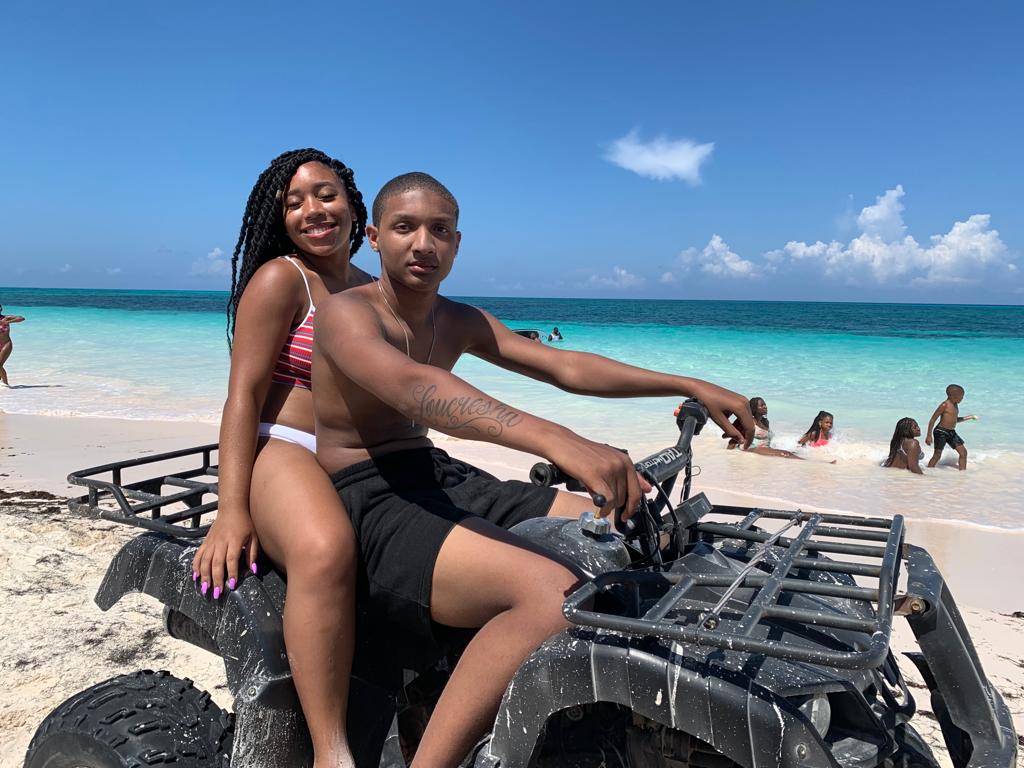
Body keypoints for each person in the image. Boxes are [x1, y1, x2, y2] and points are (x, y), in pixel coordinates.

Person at [311, 171, 754, 766]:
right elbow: (417, 388)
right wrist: (561, 442)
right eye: (404, 228)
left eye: (439, 230)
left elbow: (564, 365)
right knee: (552, 597)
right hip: (368, 494)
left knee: (623, 527)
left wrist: (686, 383)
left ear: (457, 243)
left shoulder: (456, 318)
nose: (423, 244)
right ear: (373, 237)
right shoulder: (346, 314)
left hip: (435, 474)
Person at [191, 148, 373, 768]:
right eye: (293, 203)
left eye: (325, 194)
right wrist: (230, 511)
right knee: (324, 549)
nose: (311, 210)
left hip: (353, 454)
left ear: (353, 204)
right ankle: (330, 750)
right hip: (282, 445)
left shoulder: (373, 288)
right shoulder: (282, 279)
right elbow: (242, 395)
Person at [727, 397, 802, 459]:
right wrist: (729, 455)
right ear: (754, 408)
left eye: (765, 405)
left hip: (765, 449)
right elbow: (734, 439)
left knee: (793, 453)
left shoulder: (765, 422)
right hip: (751, 449)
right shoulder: (749, 422)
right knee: (786, 454)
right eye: (762, 405)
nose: (765, 407)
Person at [925, 384, 977, 471]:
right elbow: (933, 419)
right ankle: (929, 471)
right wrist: (929, 435)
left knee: (963, 453)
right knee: (937, 455)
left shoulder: (955, 405)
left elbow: (955, 420)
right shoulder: (944, 405)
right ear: (953, 396)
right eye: (961, 397)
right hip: (940, 432)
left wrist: (969, 417)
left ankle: (963, 474)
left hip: (951, 432)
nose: (962, 398)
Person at [0, 304, 26, 387]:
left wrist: (7, 322)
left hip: (6, 344)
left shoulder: (6, 318)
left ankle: (5, 384)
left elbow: (21, 318)